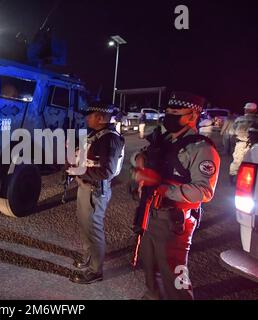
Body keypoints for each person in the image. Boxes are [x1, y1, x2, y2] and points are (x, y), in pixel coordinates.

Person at [132, 92, 220, 300]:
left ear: (192, 116)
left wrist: (163, 188)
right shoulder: (163, 139)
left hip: (175, 220)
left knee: (175, 272)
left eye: (175, 113)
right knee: (150, 264)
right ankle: (152, 296)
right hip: (151, 212)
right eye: (168, 112)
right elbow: (139, 157)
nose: (169, 116)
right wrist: (139, 162)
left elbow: (204, 191)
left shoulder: (202, 148)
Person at [66, 102, 125, 284]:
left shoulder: (110, 139)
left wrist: (78, 171)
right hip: (86, 186)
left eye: (90, 115)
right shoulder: (96, 134)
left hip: (95, 190)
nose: (86, 117)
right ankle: (89, 258)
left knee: (93, 229)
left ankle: (95, 271)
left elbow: (106, 171)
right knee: (86, 226)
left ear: (100, 118)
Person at [229, 102, 258, 185]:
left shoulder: (239, 119)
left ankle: (233, 180)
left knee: (237, 162)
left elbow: (231, 132)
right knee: (253, 162)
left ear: (246, 110)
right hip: (255, 145)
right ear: (255, 110)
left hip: (241, 144)